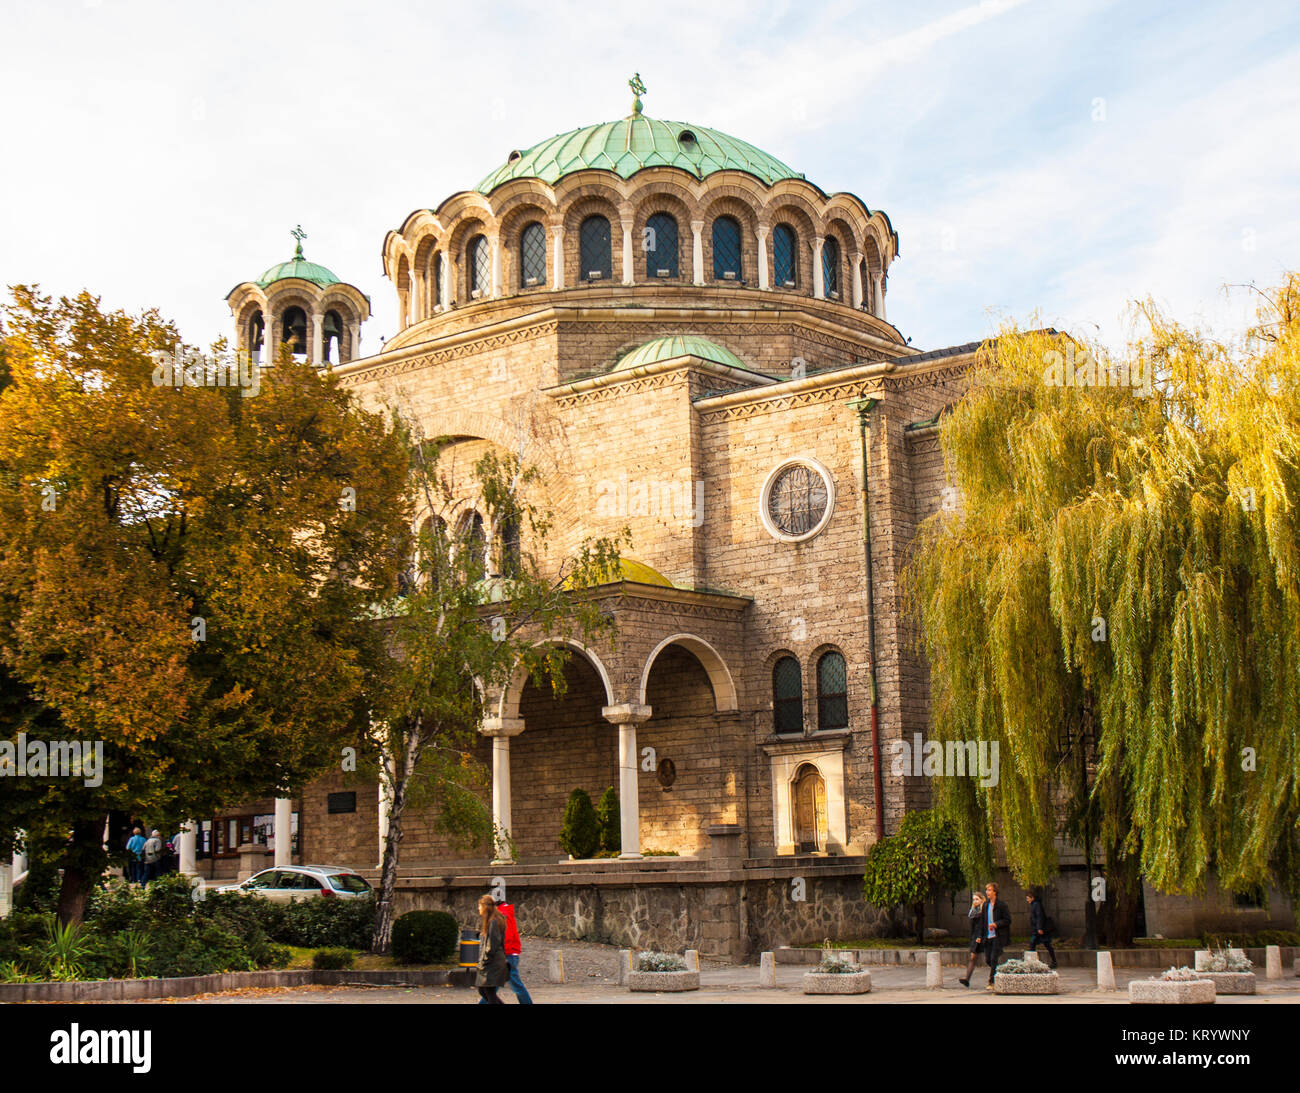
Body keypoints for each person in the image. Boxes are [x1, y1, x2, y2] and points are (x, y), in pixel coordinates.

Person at [495, 898, 534, 1004]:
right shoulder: (505, 912)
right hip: (510, 953)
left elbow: (506, 936)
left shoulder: (501, 914)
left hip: (507, 955)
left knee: (515, 985)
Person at [475, 894, 509, 1004]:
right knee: (485, 991)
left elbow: (492, 944)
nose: (478, 908)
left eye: (479, 906)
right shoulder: (494, 920)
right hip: (494, 962)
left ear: (485, 907)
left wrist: (484, 960)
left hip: (492, 963)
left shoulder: (493, 922)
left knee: (488, 992)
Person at [983, 881, 1011, 991]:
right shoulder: (985, 905)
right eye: (986, 890)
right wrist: (979, 936)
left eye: (989, 890)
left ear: (995, 892)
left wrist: (996, 924)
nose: (987, 892)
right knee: (988, 959)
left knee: (994, 958)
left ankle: (992, 981)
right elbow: (982, 922)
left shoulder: (1001, 905)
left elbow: (1008, 920)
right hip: (987, 936)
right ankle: (1000, 971)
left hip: (998, 936)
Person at [1026, 888, 1058, 968]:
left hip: (1039, 930)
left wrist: (1039, 928)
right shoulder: (1035, 904)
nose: (1027, 900)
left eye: (1028, 898)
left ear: (1032, 897)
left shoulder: (1036, 905)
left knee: (1033, 944)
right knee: (1046, 944)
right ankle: (1053, 961)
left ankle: (1033, 962)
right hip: (1038, 929)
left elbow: (1039, 917)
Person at [958, 891, 985, 987]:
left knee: (988, 958)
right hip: (975, 936)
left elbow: (982, 925)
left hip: (981, 936)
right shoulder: (975, 910)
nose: (975, 901)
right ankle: (967, 979)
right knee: (973, 957)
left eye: (977, 899)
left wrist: (980, 936)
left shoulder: (984, 910)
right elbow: (970, 916)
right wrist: (973, 907)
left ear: (982, 900)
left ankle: (993, 977)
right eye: (973, 899)